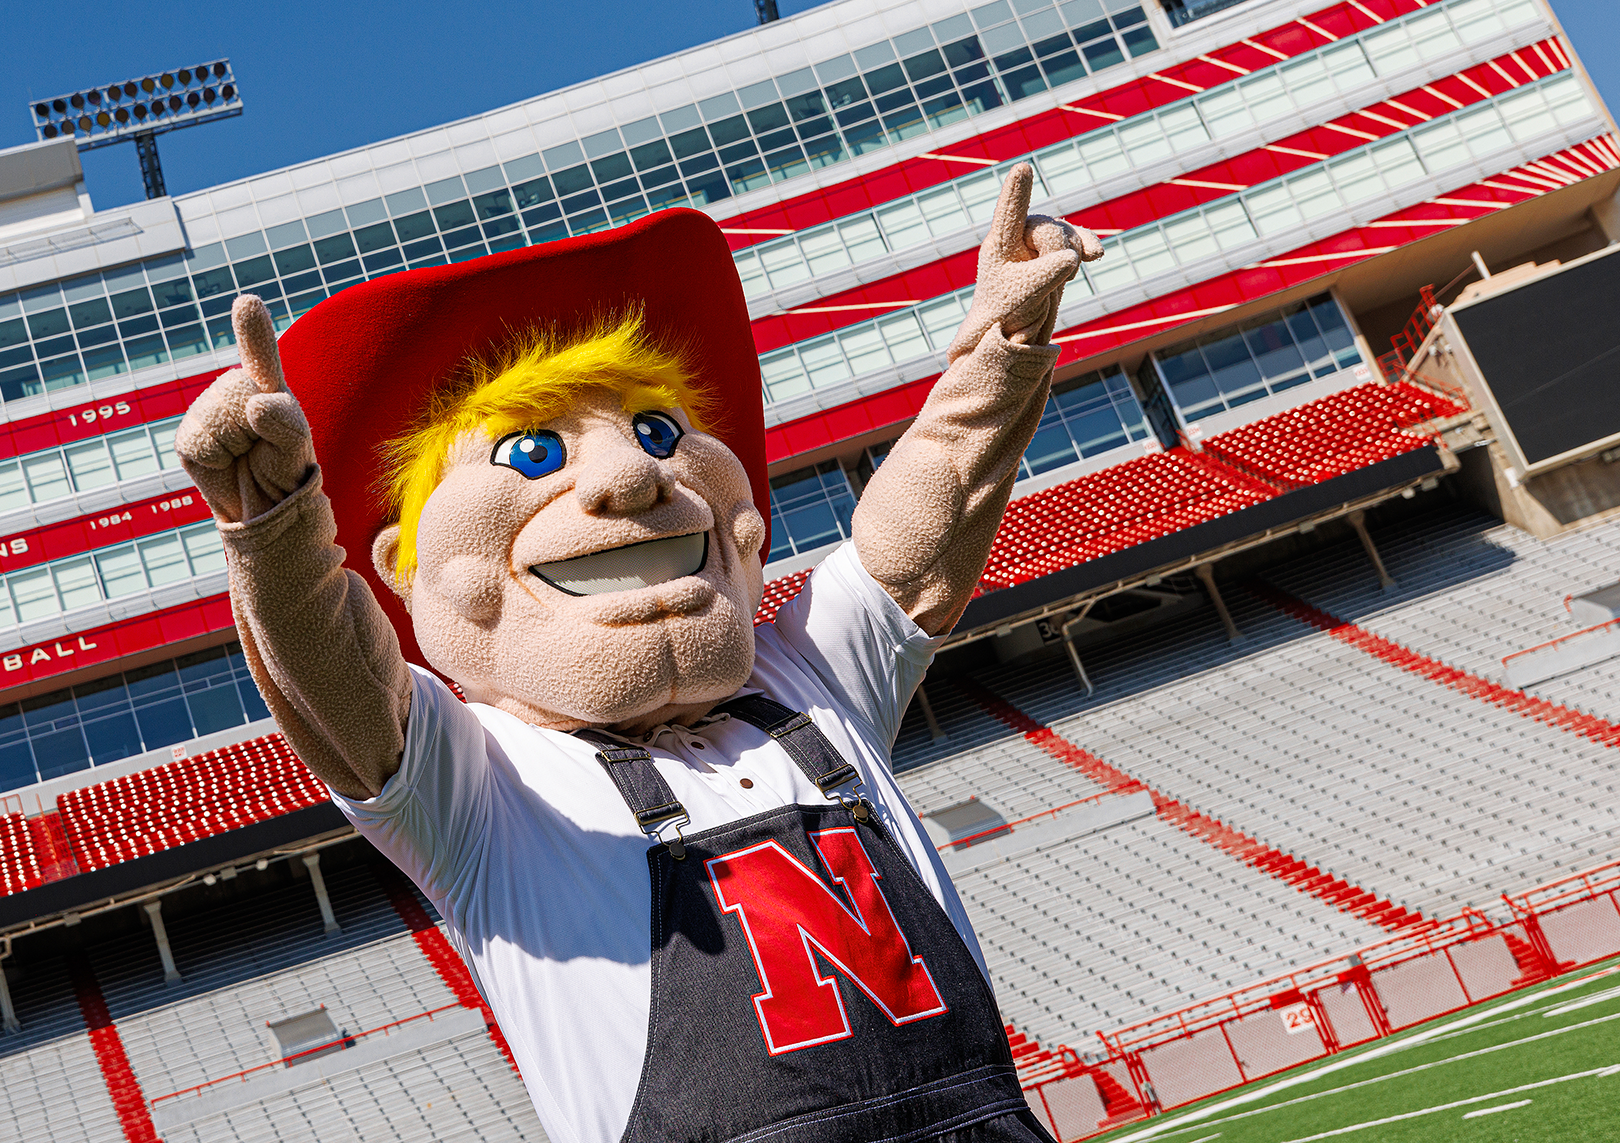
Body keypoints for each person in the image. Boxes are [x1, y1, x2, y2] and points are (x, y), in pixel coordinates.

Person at [176, 165, 1099, 1142]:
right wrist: (273, 529)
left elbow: (935, 504)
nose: (628, 474)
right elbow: (339, 681)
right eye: (532, 453)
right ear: (412, 571)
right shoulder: (480, 785)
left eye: (658, 432)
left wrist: (1004, 342)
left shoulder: (804, 679)